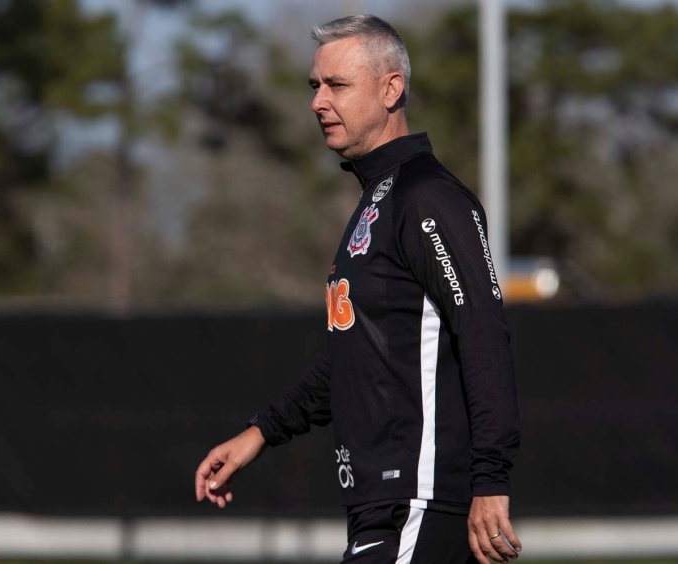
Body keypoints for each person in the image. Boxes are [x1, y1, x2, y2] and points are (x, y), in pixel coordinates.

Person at [196, 15, 522, 564]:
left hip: (418, 500)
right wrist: (260, 433)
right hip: (381, 503)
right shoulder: (378, 200)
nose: (319, 101)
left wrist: (490, 479)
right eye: (315, 87)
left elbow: (483, 334)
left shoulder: (427, 196)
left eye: (337, 85)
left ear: (391, 88)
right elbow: (358, 353)